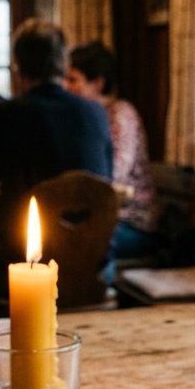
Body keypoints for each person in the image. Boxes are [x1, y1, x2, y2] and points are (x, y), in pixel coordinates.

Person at [0, 20, 113, 263]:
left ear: (18, 66)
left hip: (31, 263)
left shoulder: (7, 114)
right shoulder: (96, 114)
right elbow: (106, 184)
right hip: (94, 263)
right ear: (64, 64)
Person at [65, 41, 158, 278]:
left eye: (73, 79)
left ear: (98, 83)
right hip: (98, 217)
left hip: (133, 225)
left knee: (82, 240)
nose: (66, 86)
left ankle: (100, 296)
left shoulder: (121, 114)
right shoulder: (84, 116)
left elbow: (114, 177)